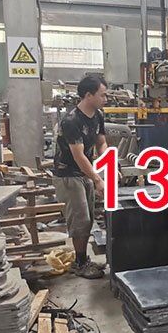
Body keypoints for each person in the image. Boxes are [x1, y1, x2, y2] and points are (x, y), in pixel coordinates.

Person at [52, 74, 108, 279]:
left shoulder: (98, 115)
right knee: (80, 220)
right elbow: (78, 155)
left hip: (85, 173)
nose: (105, 99)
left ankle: (83, 259)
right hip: (68, 174)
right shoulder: (71, 121)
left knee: (89, 219)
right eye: (102, 95)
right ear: (88, 95)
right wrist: (97, 179)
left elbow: (101, 142)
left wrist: (109, 163)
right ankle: (80, 264)